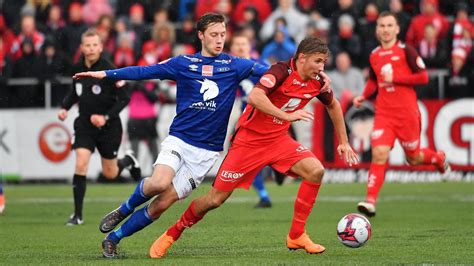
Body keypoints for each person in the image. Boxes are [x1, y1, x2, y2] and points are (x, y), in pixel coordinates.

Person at [71, 13, 270, 258]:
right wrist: (105, 74)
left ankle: (113, 239)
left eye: (222, 34)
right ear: (201, 35)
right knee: (158, 183)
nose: (219, 40)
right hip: (180, 138)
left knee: (162, 204)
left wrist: (307, 76)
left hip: (206, 152)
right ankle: (124, 209)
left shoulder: (234, 65)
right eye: (213, 35)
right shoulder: (183, 63)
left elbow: (271, 73)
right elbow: (144, 71)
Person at [148, 36, 359, 258]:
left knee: (316, 171)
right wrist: (286, 115)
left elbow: (333, 105)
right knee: (214, 200)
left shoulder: (318, 82)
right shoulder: (279, 72)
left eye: (324, 62)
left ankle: (297, 235)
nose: (321, 67)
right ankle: (173, 232)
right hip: (248, 142)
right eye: (318, 61)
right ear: (302, 58)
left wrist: (344, 142)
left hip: (278, 141)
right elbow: (255, 97)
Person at [352, 11, 450, 218]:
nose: (385, 30)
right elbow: (374, 80)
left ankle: (437, 158)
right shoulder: (374, 55)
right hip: (384, 114)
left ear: (397, 29)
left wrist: (396, 77)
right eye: (382, 26)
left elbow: (423, 77)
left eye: (389, 26)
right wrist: (363, 96)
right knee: (379, 153)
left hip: (407, 115)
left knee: (413, 159)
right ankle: (370, 201)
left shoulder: (407, 51)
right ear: (377, 29)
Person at [58, 29, 141, 226]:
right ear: (82, 48)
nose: (91, 48)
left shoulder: (109, 69)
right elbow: (74, 93)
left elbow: (125, 98)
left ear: (101, 47)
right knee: (81, 163)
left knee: (110, 173)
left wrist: (105, 117)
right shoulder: (78, 68)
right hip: (85, 124)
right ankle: (77, 215)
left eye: (95, 45)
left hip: (109, 127)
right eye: (88, 45)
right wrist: (65, 108)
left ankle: (127, 161)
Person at [229, 33, 272, 208]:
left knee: (247, 155)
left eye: (243, 43)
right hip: (245, 114)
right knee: (245, 156)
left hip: (263, 115)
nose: (240, 47)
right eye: (237, 44)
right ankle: (265, 191)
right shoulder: (230, 67)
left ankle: (274, 169)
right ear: (232, 48)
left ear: (249, 46)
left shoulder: (261, 65)